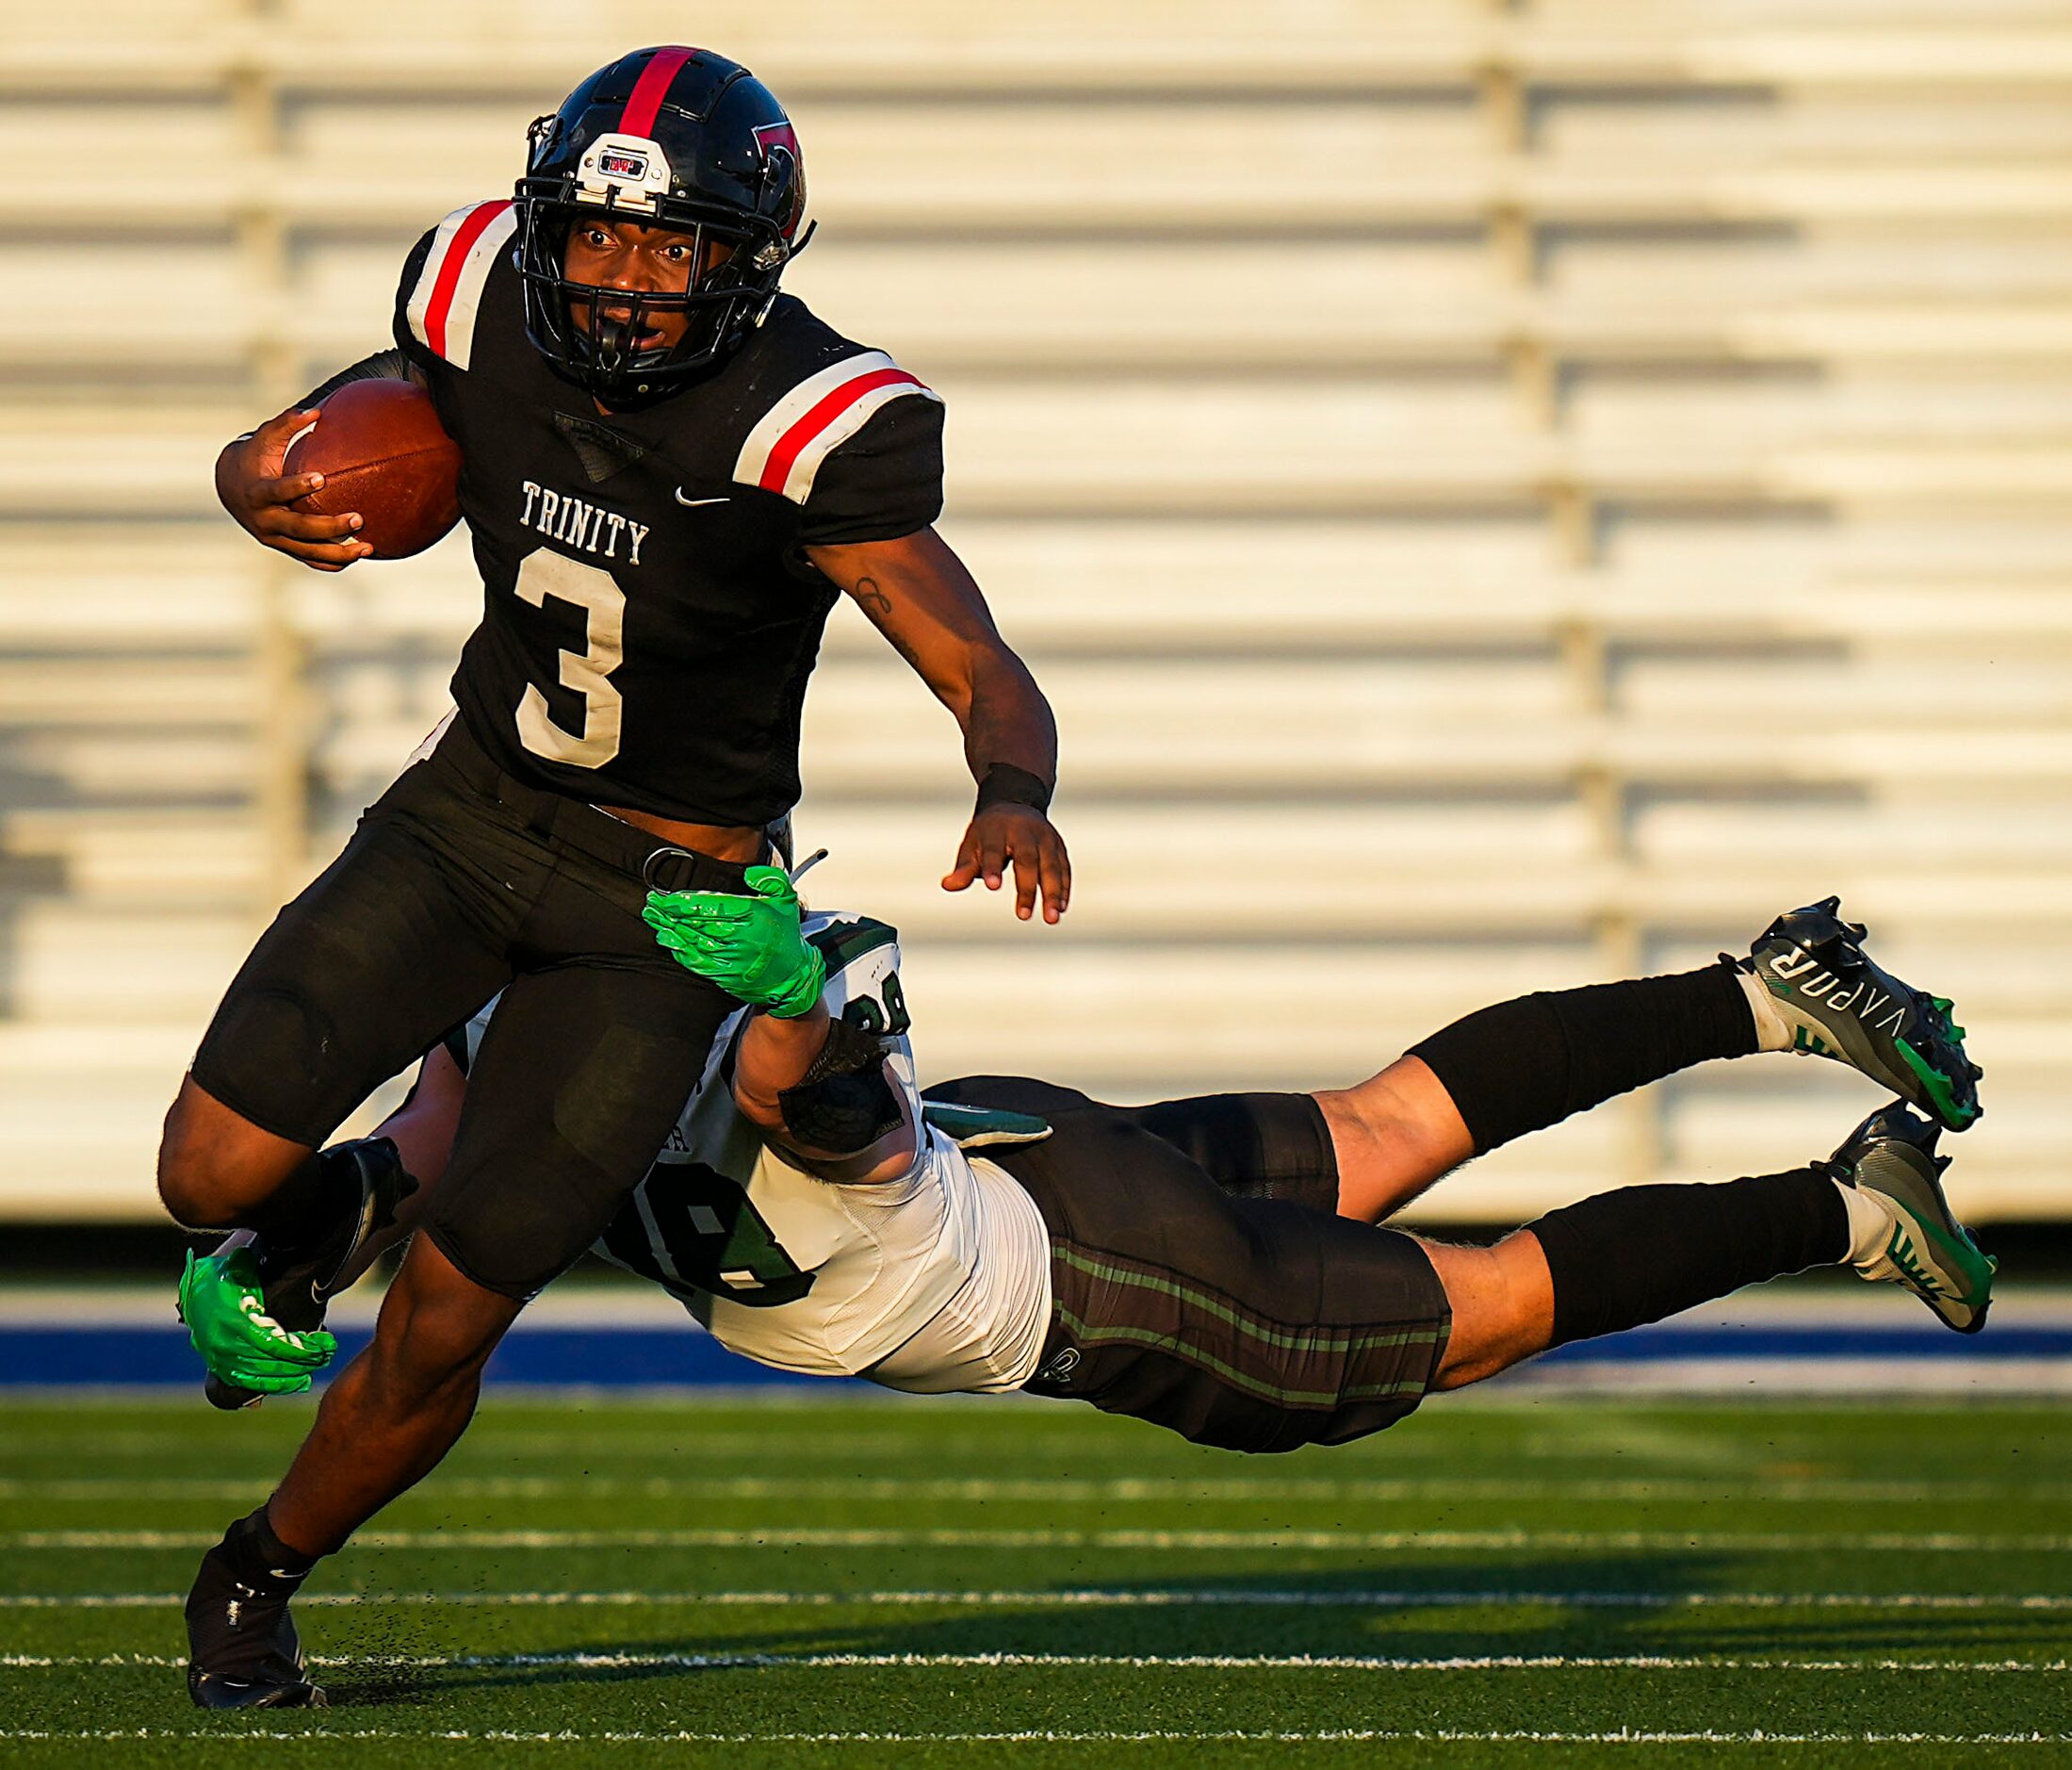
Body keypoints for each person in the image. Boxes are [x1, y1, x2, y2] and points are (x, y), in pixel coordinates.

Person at [159, 45, 1072, 1704]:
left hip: (662, 911)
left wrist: (1013, 784)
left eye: (672, 246)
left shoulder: (814, 422)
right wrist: (257, 480)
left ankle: (259, 1567)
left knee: (454, 1311)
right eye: (595, 237)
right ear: (544, 227)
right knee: (208, 1170)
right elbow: (326, 433)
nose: (628, 279)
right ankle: (330, 1209)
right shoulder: (476, 295)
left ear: (749, 254)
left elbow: (977, 657)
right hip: (467, 818)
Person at [180, 886, 1990, 1707]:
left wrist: (796, 994)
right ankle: (1762, 991)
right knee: (1374, 1129)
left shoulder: (717, 967)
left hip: (1070, 1270)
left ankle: (1839, 1210)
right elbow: (423, 1144)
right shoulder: (527, 960)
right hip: (1032, 1154)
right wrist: (277, 1249)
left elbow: (825, 1113)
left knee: (1488, 1311)